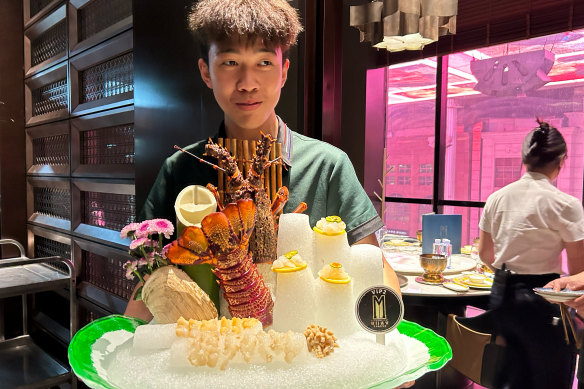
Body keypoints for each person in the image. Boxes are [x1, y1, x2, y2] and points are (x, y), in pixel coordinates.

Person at [126, 0, 401, 317]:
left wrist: (383, 336)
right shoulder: (182, 168)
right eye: (230, 62)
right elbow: (150, 276)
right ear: (206, 71)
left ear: (284, 71)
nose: (247, 83)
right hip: (206, 354)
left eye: (264, 63)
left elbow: (373, 265)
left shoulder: (328, 166)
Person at [478, 120, 584, 389]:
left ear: (524, 158)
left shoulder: (497, 198)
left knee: (510, 376)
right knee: (549, 378)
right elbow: (577, 272)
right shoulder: (566, 205)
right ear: (561, 161)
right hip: (544, 297)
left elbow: (485, 254)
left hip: (502, 294)